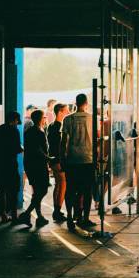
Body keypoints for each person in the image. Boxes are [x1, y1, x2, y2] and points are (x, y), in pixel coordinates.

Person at [60, 93, 95, 232]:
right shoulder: (92, 118)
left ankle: (69, 216)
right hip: (88, 159)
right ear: (86, 103)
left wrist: (62, 158)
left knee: (71, 189)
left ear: (75, 103)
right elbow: (97, 139)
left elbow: (63, 142)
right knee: (87, 190)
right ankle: (84, 218)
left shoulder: (67, 119)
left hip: (72, 159)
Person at [17, 110, 52, 228]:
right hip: (38, 165)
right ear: (40, 119)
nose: (45, 119)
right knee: (42, 191)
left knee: (37, 191)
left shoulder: (30, 131)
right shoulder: (38, 132)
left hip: (31, 165)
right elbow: (38, 150)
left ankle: (39, 217)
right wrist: (48, 158)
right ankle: (26, 214)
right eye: (44, 117)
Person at [0, 111, 23, 224]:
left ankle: (3, 215)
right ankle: (14, 215)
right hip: (10, 164)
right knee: (13, 190)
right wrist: (22, 149)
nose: (17, 123)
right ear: (13, 119)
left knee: (1, 191)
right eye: (16, 121)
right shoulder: (14, 131)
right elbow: (17, 149)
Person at [48, 102, 70, 222]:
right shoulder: (58, 127)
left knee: (58, 184)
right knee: (62, 185)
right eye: (66, 110)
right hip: (58, 160)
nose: (68, 112)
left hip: (54, 159)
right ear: (60, 112)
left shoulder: (52, 126)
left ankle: (57, 210)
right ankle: (57, 210)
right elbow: (58, 146)